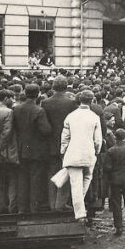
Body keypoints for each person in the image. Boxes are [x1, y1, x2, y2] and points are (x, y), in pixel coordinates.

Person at [61, 90, 103, 222]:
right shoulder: (94, 117)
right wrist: (96, 151)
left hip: (73, 153)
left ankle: (78, 211)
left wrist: (63, 151)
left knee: (75, 184)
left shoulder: (70, 116)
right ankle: (79, 209)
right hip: (88, 154)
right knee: (87, 179)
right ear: (92, 100)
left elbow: (65, 137)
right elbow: (98, 140)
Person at [13, 83, 52, 214]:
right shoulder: (39, 110)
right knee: (35, 180)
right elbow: (46, 130)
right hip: (36, 150)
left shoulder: (16, 109)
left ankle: (22, 208)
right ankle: (34, 208)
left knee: (22, 179)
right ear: (38, 94)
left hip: (21, 148)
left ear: (24, 92)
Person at [41, 76, 78, 210]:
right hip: (67, 144)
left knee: (51, 174)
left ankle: (52, 203)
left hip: (50, 143)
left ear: (53, 87)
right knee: (66, 173)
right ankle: (61, 203)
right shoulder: (71, 103)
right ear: (66, 86)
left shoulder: (45, 103)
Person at [103, 128, 125, 235]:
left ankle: (119, 228)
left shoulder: (111, 151)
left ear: (115, 137)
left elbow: (107, 167)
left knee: (116, 204)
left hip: (115, 181)